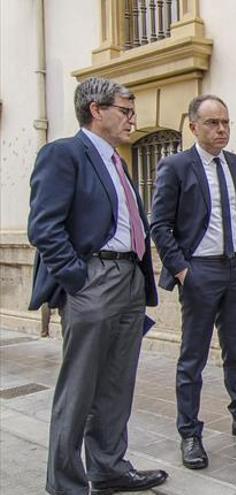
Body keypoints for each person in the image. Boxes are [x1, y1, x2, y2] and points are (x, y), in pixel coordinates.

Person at [29, 77, 168, 494]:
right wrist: (78, 278)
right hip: (93, 279)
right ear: (96, 109)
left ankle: (108, 468)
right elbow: (44, 226)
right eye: (126, 110)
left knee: (116, 383)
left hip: (128, 279)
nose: (132, 118)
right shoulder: (64, 154)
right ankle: (66, 483)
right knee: (79, 388)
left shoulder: (116, 162)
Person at [151, 95, 236, 470]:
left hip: (235, 269)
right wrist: (183, 270)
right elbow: (159, 225)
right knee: (193, 358)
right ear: (193, 127)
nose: (221, 130)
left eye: (226, 122)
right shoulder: (176, 166)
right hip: (199, 271)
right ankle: (190, 433)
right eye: (212, 123)